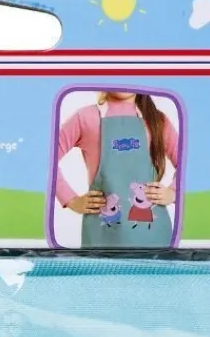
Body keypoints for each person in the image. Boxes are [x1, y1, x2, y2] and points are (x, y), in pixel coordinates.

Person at [54, 92, 179, 248]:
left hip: (153, 234)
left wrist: (173, 192)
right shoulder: (85, 117)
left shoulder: (157, 120)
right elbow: (46, 160)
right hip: (102, 234)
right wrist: (70, 200)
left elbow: (189, 164)